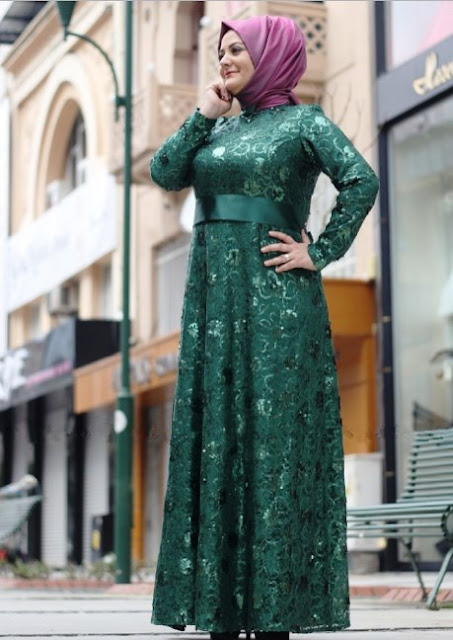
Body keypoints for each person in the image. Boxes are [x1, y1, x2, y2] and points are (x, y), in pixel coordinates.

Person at [149, 14, 379, 640]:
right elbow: (165, 174)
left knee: (273, 450)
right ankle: (220, 613)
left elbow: (361, 180)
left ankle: (275, 617)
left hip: (277, 307)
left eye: (236, 50)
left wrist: (320, 251)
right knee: (218, 443)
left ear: (272, 54)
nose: (224, 60)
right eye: (220, 51)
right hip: (212, 311)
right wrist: (202, 115)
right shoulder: (218, 126)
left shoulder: (304, 124)